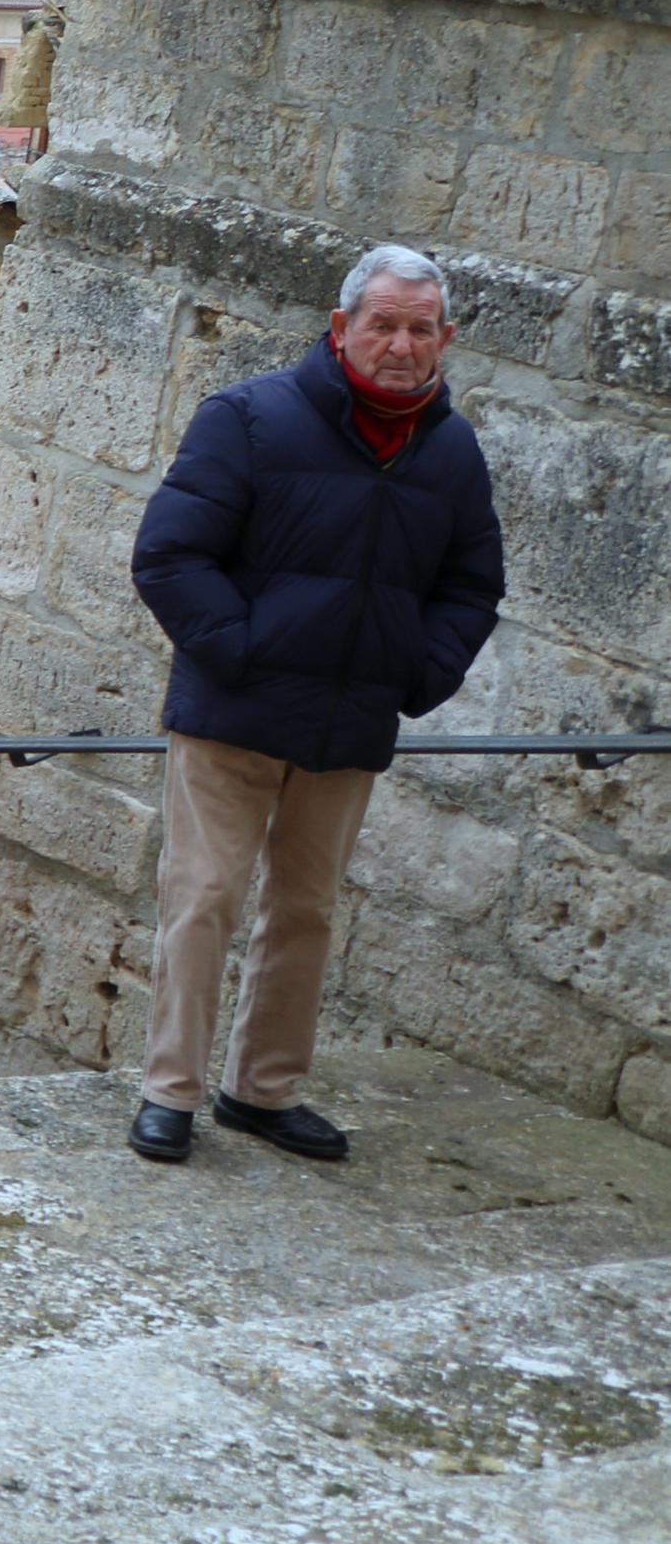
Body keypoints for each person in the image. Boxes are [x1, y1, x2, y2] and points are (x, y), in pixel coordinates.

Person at [123, 244, 503, 1168]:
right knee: (202, 897)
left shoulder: (448, 451)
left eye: (420, 329)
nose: (400, 345)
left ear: (443, 340)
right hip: (231, 715)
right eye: (382, 323)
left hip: (348, 725)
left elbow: (471, 584)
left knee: (305, 911)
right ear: (340, 328)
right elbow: (169, 555)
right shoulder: (249, 418)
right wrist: (244, 654)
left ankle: (261, 1091)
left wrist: (417, 673)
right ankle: (168, 1090)